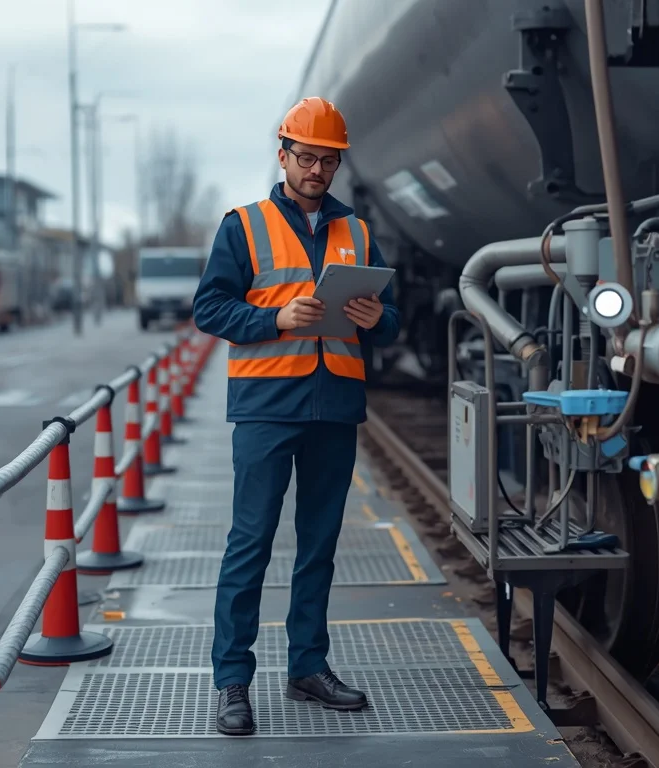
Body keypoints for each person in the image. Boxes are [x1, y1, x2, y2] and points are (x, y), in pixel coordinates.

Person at [192, 96, 400, 735]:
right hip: (265, 406)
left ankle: (309, 667)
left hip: (333, 405)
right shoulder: (243, 225)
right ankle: (233, 682)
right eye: (305, 157)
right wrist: (274, 319)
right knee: (250, 543)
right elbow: (210, 309)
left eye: (327, 159)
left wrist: (376, 320)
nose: (316, 169)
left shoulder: (356, 232)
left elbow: (387, 323)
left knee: (320, 545)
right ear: (282, 156)